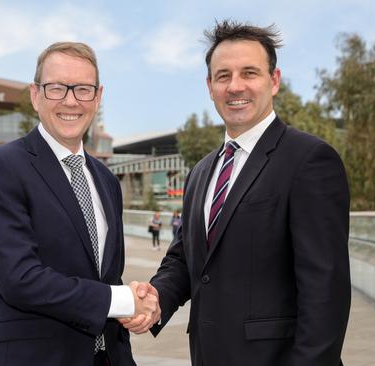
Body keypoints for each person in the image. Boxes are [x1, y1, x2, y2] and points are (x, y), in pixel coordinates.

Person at [123, 20, 351, 366]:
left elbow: (326, 292)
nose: (235, 86)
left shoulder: (309, 160)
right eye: (223, 75)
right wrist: (156, 299)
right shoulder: (201, 172)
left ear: (274, 81)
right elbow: (186, 259)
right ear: (210, 86)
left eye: (249, 73)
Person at [0, 41, 159, 366]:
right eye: (57, 88)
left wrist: (137, 307)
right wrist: (122, 300)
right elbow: (20, 279)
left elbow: (105, 277)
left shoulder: (107, 181)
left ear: (98, 98)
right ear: (35, 95)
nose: (71, 101)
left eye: (83, 89)